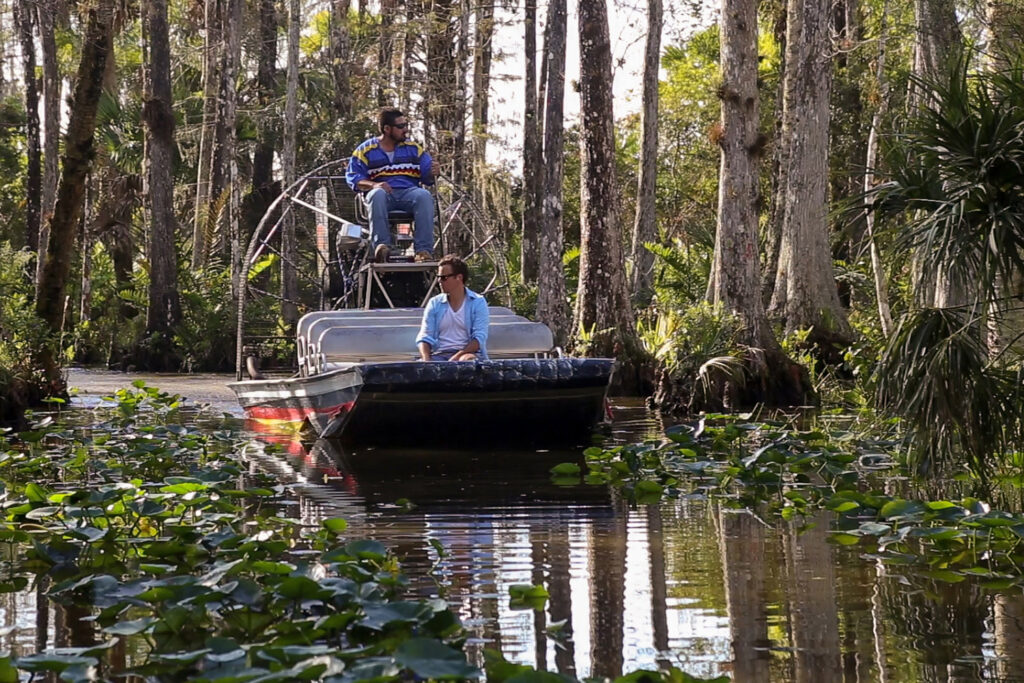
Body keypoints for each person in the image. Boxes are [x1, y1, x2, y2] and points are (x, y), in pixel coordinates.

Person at [346, 107, 435, 263]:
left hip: (409, 193)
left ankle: (423, 251)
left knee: (424, 196)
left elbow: (427, 176)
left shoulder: (413, 148)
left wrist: (433, 171)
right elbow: (353, 177)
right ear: (387, 129)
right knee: (377, 194)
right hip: (382, 196)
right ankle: (381, 247)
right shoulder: (365, 150)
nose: (405, 130)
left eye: (406, 125)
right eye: (400, 126)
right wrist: (374, 185)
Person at [417, 255, 489, 361]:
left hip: (466, 354)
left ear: (459, 277)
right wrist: (426, 361)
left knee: (468, 361)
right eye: (438, 277)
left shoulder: (477, 302)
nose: (439, 281)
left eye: (443, 278)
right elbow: (425, 336)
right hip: (440, 355)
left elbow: (479, 339)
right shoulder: (435, 303)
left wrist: (456, 358)